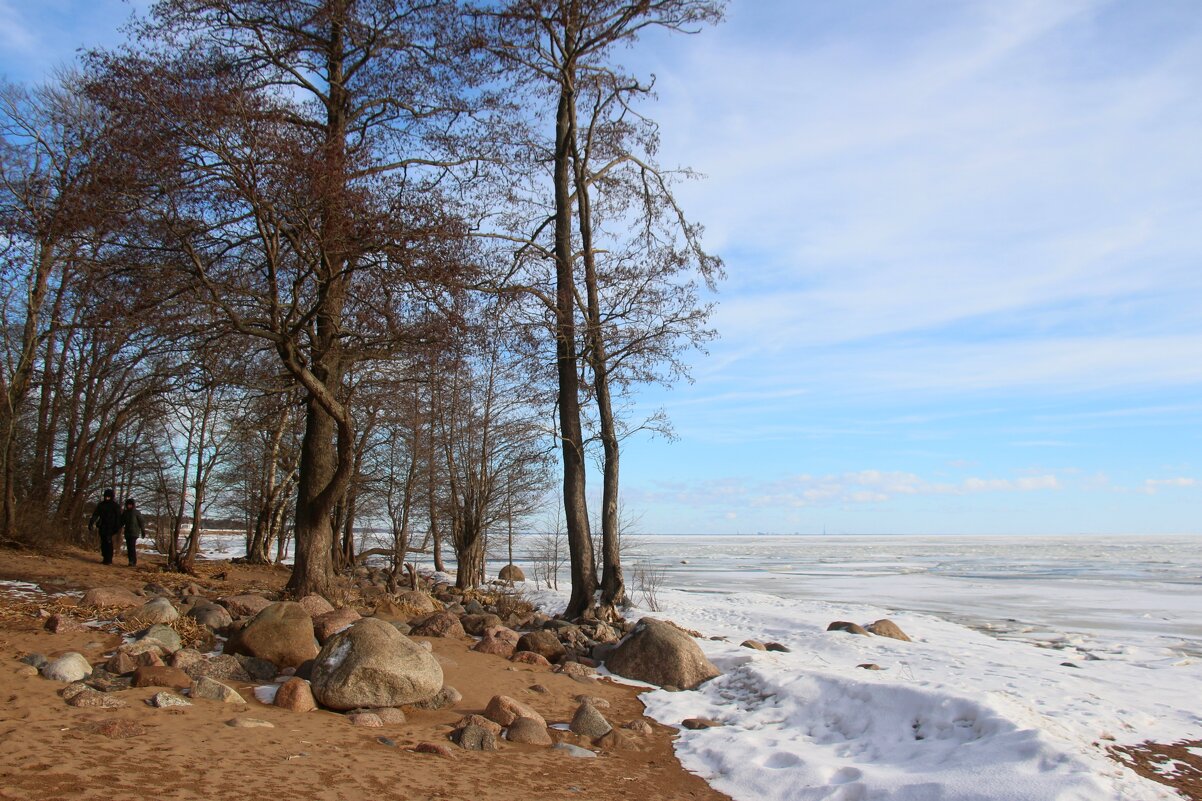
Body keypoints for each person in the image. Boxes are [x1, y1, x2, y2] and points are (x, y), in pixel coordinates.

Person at [87, 489, 122, 565]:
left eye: (108, 497)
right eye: (106, 496)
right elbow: (95, 514)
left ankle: (109, 559)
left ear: (112, 497)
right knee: (103, 542)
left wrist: (117, 528)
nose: (107, 498)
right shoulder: (101, 505)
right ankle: (105, 557)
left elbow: (118, 518)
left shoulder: (115, 506)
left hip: (111, 527)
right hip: (102, 526)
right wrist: (91, 523)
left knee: (108, 542)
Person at [120, 498, 147, 567]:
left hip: (134, 532)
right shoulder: (125, 512)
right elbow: (121, 521)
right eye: (128, 505)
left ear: (133, 505)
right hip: (127, 532)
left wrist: (143, 531)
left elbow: (141, 522)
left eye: (130, 505)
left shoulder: (136, 512)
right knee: (129, 547)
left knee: (131, 546)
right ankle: (130, 561)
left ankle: (133, 561)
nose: (129, 506)